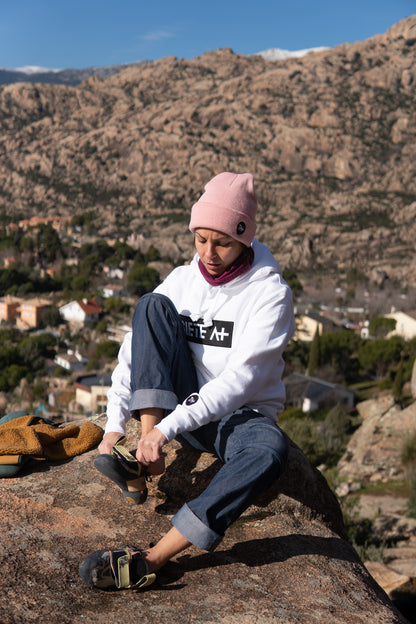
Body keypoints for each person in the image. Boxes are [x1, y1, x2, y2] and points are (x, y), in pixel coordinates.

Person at [79, 171, 295, 591]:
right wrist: (115, 426)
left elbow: (242, 379)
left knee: (270, 450)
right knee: (151, 307)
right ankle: (145, 459)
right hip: (176, 406)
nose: (208, 253)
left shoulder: (271, 294)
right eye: (200, 239)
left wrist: (169, 427)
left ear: (245, 238)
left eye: (222, 242)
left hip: (235, 418)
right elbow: (136, 347)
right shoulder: (183, 279)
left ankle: (152, 558)